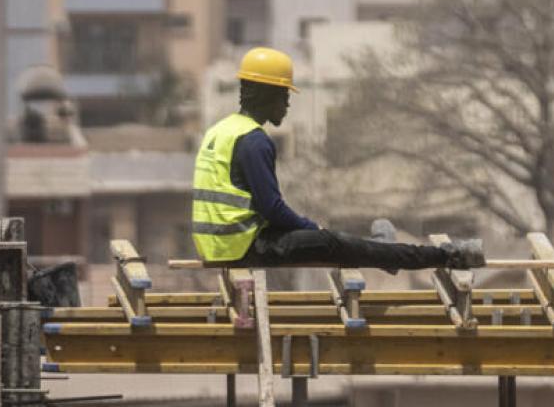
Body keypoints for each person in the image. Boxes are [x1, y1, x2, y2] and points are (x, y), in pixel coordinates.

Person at [191, 47, 485, 271]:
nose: (288, 103)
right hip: (244, 248)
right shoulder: (254, 141)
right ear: (264, 94)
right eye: (283, 94)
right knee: (329, 241)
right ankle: (446, 256)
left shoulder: (220, 131)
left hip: (216, 247)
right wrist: (312, 228)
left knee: (338, 243)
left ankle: (378, 250)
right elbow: (273, 209)